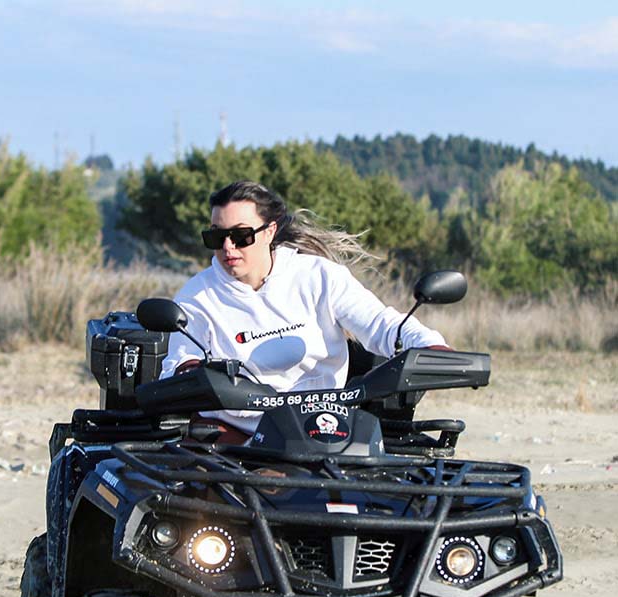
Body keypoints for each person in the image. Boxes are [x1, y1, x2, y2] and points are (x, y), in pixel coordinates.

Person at [160, 180, 448, 440]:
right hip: (235, 438)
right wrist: (193, 371)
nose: (227, 247)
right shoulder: (196, 296)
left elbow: (382, 324)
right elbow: (181, 363)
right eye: (216, 237)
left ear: (269, 231)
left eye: (240, 236)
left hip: (321, 430)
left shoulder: (319, 276)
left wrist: (429, 345)